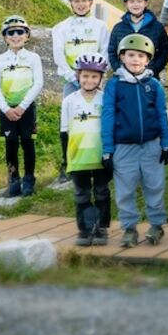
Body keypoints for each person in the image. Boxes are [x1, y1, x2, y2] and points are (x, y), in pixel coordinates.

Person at [102, 32, 168, 249]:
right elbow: (108, 116)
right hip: (124, 147)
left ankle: (157, 225)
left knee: (155, 186)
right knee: (125, 190)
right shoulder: (114, 85)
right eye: (130, 55)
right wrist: (107, 149)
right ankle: (129, 228)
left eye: (141, 56)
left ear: (148, 60)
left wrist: (166, 144)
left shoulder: (154, 85)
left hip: (152, 145)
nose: (135, 60)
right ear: (122, 57)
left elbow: (162, 114)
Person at [0, 15, 45, 198]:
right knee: (10, 144)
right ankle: (14, 179)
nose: (15, 36)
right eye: (11, 33)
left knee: (28, 143)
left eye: (20, 32)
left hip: (26, 108)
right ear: (5, 37)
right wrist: (6, 109)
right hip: (7, 109)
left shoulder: (33, 58)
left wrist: (22, 107)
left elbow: (38, 83)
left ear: (27, 36)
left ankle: (29, 179)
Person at [63, 55, 113, 246]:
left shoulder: (105, 99)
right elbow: (64, 130)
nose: (89, 80)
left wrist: (111, 153)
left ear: (101, 78)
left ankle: (101, 228)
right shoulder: (69, 101)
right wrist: (65, 158)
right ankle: (84, 229)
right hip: (78, 157)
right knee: (81, 194)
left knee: (101, 192)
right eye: (85, 76)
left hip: (101, 156)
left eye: (94, 77)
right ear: (78, 75)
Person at [107, 0, 168, 77]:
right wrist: (118, 68)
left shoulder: (157, 27)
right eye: (132, 1)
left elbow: (165, 50)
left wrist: (155, 68)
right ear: (126, 4)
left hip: (149, 75)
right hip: (124, 76)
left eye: (139, 1)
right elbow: (112, 51)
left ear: (145, 3)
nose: (136, 4)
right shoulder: (118, 28)